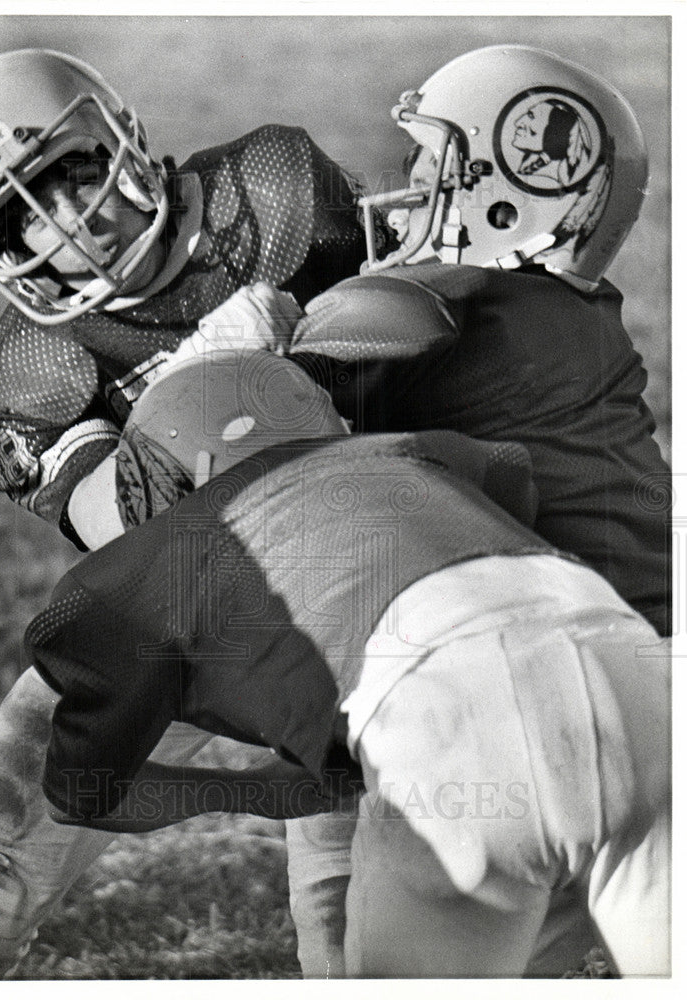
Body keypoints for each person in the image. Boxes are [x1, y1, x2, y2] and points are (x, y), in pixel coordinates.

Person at [0, 47, 376, 979]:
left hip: (362, 568)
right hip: (185, 599)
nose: (64, 228)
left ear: (118, 135)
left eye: (70, 178)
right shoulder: (32, 366)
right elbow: (119, 522)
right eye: (16, 219)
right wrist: (216, 372)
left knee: (360, 922)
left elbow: (427, 332)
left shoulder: (272, 191)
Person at [25, 347, 669, 978]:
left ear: (164, 472)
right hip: (635, 669)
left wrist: (243, 791)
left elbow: (82, 793)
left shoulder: (134, 577)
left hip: (449, 726)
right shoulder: (428, 453)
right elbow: (509, 472)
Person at [247, 44, 669, 978]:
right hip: (633, 676)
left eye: (436, 164)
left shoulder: (457, 305)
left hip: (537, 706)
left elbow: (275, 428)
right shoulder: (567, 309)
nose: (413, 189)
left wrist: (243, 352)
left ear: (522, 177)